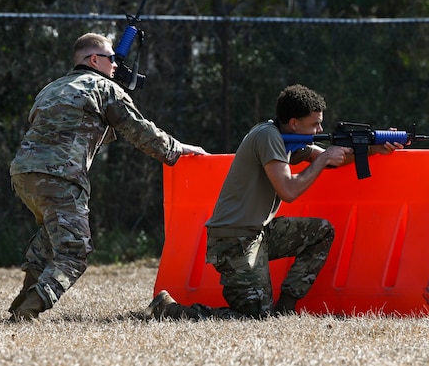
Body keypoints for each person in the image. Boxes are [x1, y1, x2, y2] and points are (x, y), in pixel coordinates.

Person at [145, 84, 403, 320]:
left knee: (320, 232)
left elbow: (328, 157)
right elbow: (290, 190)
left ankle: (286, 308)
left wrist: (371, 148)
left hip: (258, 233)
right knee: (254, 317)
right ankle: (169, 309)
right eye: (315, 124)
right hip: (234, 239)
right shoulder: (267, 137)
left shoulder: (285, 137)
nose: (320, 130)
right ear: (293, 123)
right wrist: (324, 160)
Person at [8, 32, 208, 322]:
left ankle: (21, 303)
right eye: (111, 58)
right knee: (73, 252)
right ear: (94, 59)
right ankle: (29, 309)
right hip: (61, 176)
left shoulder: (51, 88)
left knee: (51, 240)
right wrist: (177, 149)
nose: (116, 64)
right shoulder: (103, 88)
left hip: (23, 174)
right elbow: (139, 130)